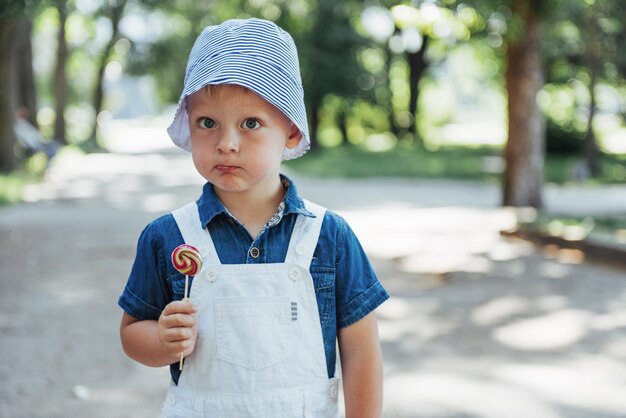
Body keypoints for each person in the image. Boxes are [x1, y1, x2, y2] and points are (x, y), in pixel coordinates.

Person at [118, 18, 389, 418]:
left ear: (292, 132)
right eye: (207, 123)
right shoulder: (168, 236)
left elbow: (362, 351)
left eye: (251, 124)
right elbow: (131, 332)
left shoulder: (328, 236)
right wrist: (161, 340)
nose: (226, 143)